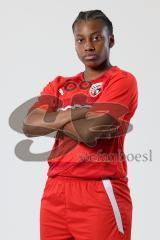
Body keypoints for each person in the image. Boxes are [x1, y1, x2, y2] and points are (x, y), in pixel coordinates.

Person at [23, 9, 138, 240]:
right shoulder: (60, 84)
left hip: (99, 190)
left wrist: (54, 119)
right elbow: (29, 125)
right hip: (55, 190)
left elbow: (89, 133)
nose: (88, 46)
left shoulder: (121, 80)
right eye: (81, 39)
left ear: (111, 40)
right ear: (74, 43)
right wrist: (73, 114)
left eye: (96, 37)